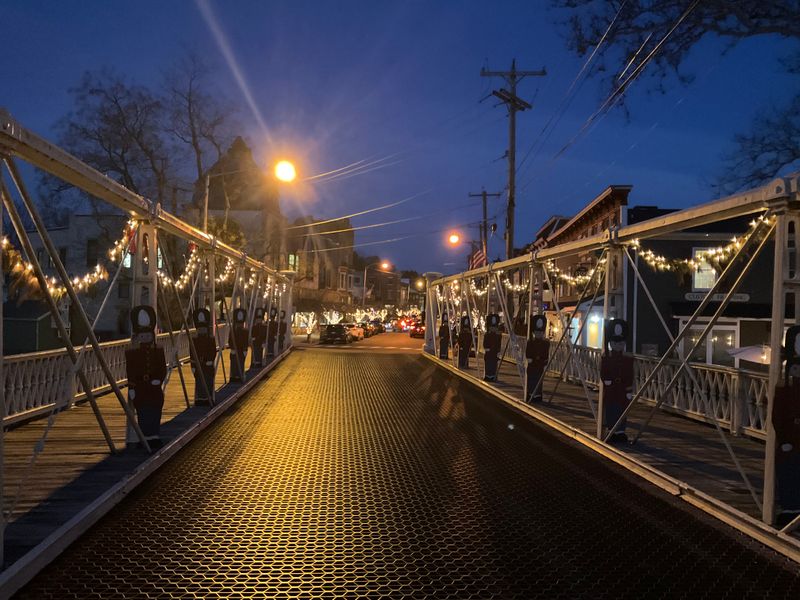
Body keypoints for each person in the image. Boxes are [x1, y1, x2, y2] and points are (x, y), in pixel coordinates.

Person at [125, 305, 167, 449]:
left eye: (147, 335)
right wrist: (131, 386)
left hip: (154, 387)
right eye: (142, 336)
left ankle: (154, 435)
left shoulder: (157, 350)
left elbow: (162, 368)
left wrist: (159, 379)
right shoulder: (132, 352)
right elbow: (130, 369)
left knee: (155, 408)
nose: (145, 338)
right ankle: (145, 436)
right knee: (143, 411)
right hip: (141, 387)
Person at [772, 325, 800, 527]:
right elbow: (779, 413)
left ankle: (791, 508)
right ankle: (790, 508)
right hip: (791, 435)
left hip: (791, 435)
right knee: (789, 468)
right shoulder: (787, 382)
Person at [600, 318, 634, 444]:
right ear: (610, 343)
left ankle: (620, 431)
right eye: (615, 343)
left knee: (622, 409)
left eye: (621, 343)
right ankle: (612, 429)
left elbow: (630, 374)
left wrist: (629, 389)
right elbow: (604, 371)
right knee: (611, 408)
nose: (618, 345)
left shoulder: (627, 359)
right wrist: (607, 380)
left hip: (622, 389)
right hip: (612, 388)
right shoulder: (607, 358)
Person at [191, 307, 217, 406]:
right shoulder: (194, 340)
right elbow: (192, 353)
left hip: (207, 364)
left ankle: (208, 397)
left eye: (203, 329)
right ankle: (200, 398)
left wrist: (210, 360)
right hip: (198, 364)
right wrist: (193, 365)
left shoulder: (210, 339)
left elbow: (213, 350)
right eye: (200, 329)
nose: (202, 330)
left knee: (208, 380)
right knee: (199, 381)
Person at [526, 314, 549, 403]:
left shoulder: (546, 343)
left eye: (540, 332)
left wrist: (545, 362)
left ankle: (538, 396)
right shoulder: (530, 342)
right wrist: (529, 358)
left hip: (539, 364)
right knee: (532, 379)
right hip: (532, 365)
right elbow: (528, 352)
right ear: (534, 332)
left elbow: (546, 354)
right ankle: (531, 394)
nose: (539, 334)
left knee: (539, 380)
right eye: (537, 332)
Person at [230, 307, 249, 382]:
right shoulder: (233, 331)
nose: (239, 325)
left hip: (241, 350)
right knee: (234, 363)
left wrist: (245, 349)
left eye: (240, 324)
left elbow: (245, 341)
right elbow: (230, 340)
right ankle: (234, 376)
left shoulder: (245, 332)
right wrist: (232, 348)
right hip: (235, 350)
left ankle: (240, 375)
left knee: (241, 363)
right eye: (238, 323)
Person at [483, 313, 501, 382]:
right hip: (489, 352)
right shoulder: (487, 335)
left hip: (494, 353)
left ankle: (492, 376)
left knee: (493, 365)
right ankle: (488, 376)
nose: (493, 328)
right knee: (488, 365)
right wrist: (486, 348)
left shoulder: (498, 336)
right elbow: (485, 343)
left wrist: (498, 350)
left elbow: (498, 344)